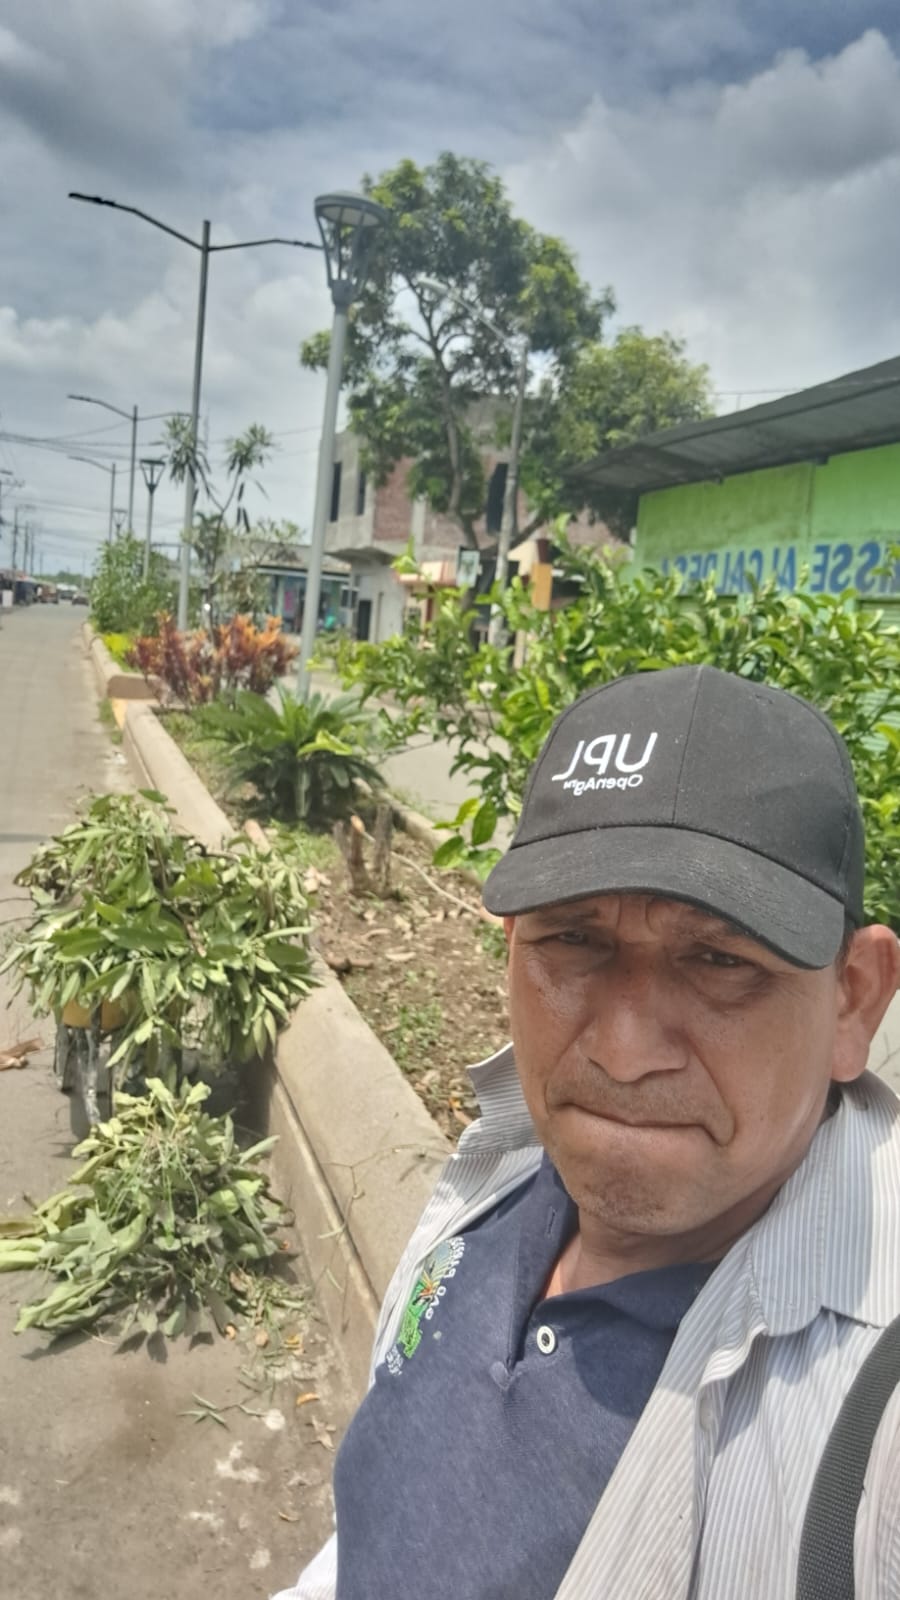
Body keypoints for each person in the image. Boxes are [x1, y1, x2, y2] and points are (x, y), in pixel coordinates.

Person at [273, 664, 900, 1600]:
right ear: (513, 949)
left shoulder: (874, 1422)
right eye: (574, 939)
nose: (622, 1050)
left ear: (854, 1001)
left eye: (719, 959)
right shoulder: (504, 1174)